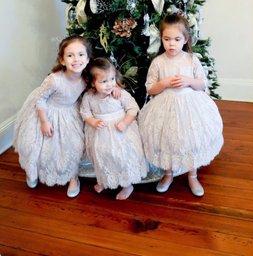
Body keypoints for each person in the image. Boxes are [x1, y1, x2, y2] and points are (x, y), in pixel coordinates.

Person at [139, 13, 223, 196]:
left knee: (189, 138)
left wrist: (188, 80)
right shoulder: (158, 62)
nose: (171, 44)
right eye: (167, 39)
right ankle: (168, 173)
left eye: (177, 39)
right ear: (161, 38)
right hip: (165, 107)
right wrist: (165, 83)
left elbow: (202, 84)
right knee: (168, 139)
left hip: (190, 107)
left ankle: (192, 175)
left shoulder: (191, 59)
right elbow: (150, 89)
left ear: (185, 39)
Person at [14, 35, 91, 197]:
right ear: (62, 60)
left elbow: (102, 83)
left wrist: (116, 88)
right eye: (70, 55)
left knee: (74, 145)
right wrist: (44, 121)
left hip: (70, 113)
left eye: (81, 54)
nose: (76, 59)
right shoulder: (54, 80)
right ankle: (32, 171)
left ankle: (72, 176)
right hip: (47, 112)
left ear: (88, 58)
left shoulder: (85, 79)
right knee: (39, 147)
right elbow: (40, 99)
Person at [80, 57, 148, 200]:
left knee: (122, 157)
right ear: (93, 83)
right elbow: (85, 113)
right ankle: (106, 180)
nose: (109, 84)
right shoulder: (89, 97)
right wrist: (93, 121)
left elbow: (133, 108)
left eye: (111, 79)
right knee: (103, 157)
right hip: (100, 133)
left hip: (121, 131)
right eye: (103, 81)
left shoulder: (119, 94)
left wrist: (125, 122)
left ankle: (127, 184)